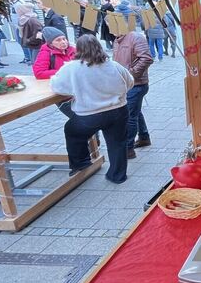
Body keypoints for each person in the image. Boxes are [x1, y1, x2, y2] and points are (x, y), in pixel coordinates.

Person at [50, 35, 133, 184]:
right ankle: (117, 175)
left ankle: (81, 162)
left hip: (89, 115)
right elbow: (130, 82)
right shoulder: (113, 65)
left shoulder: (72, 67)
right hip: (118, 111)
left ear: (79, 49)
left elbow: (58, 87)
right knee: (118, 143)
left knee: (72, 131)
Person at [112, 25, 153, 158]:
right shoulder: (117, 40)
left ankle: (128, 148)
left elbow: (146, 58)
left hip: (136, 84)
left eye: (110, 23)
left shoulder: (135, 37)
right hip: (126, 84)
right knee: (135, 111)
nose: (108, 27)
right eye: (107, 24)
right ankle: (144, 137)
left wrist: (131, 74)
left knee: (129, 116)